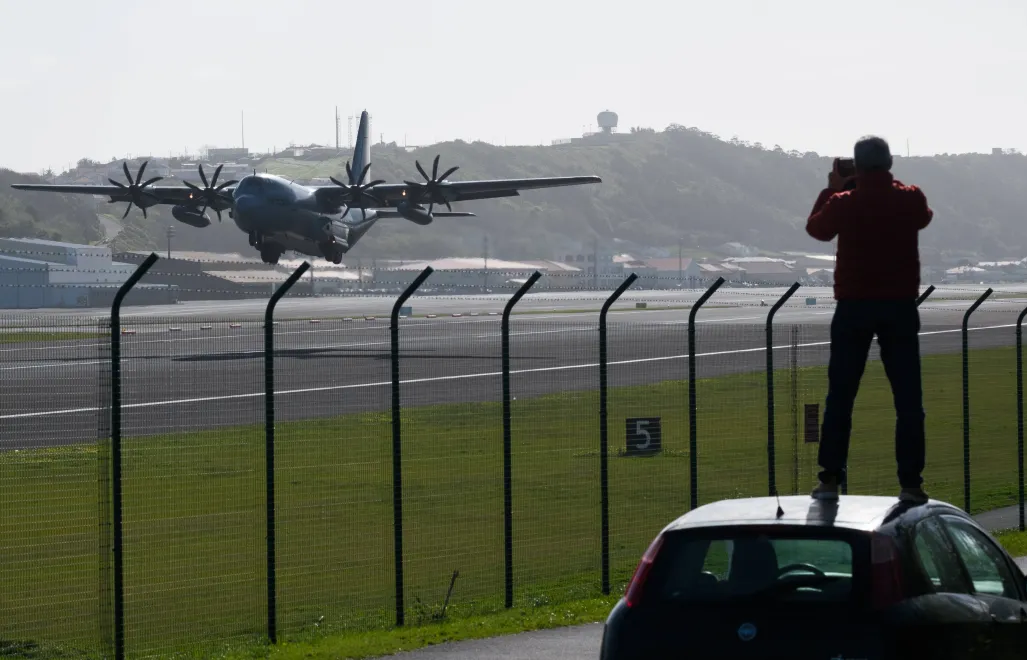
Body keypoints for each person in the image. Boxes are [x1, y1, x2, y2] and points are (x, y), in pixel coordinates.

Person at [805, 136, 934, 503]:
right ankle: (911, 482)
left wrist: (833, 189)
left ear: (856, 167)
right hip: (900, 306)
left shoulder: (845, 202)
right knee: (908, 398)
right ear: (891, 162)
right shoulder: (909, 198)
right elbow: (923, 216)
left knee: (841, 397)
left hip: (854, 306)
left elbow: (817, 229)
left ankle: (830, 478)